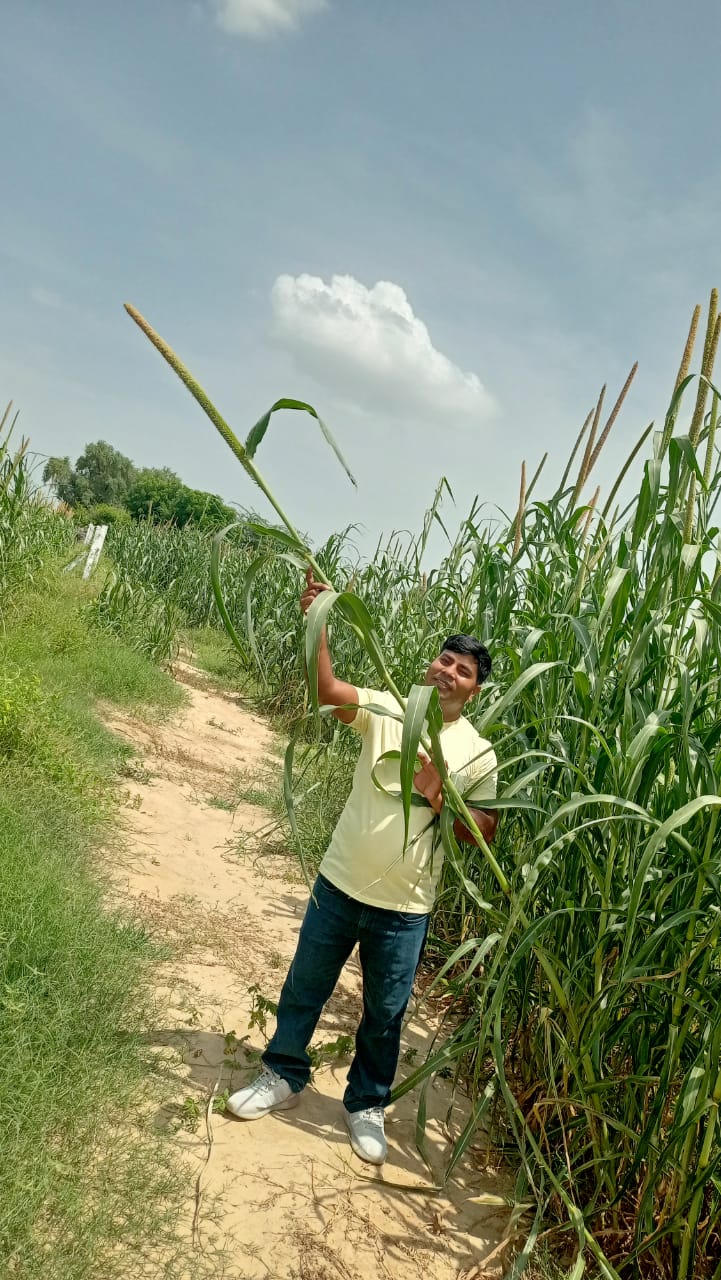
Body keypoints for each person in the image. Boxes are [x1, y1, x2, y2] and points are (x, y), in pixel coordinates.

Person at [226, 569, 498, 1165]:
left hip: (405, 906)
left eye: (463, 671)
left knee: (385, 1012)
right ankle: (282, 1073)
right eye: (444, 661)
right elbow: (327, 691)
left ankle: (365, 1105)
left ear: (474, 690)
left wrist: (440, 793)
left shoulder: (479, 752)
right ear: (431, 665)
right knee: (305, 986)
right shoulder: (389, 709)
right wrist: (317, 622)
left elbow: (483, 832)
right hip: (340, 881)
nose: (448, 673)